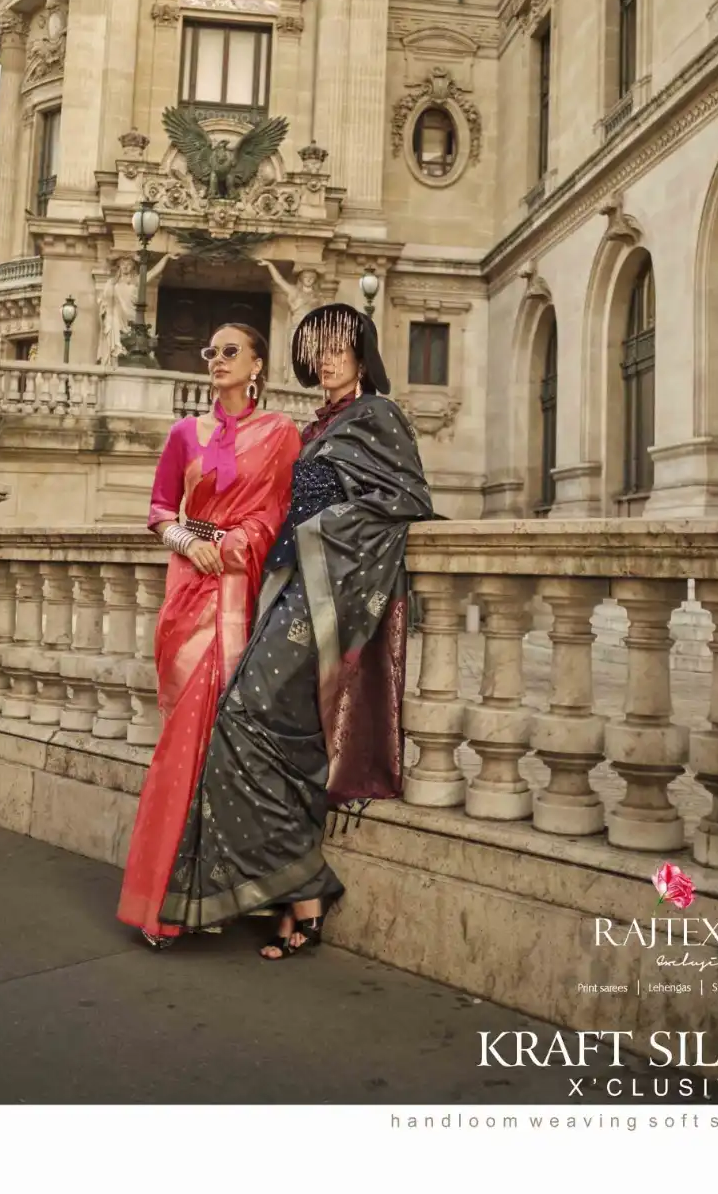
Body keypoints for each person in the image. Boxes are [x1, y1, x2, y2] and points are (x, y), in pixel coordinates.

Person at [158, 303, 433, 958]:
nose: (329, 360)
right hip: (285, 588)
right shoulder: (313, 427)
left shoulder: (379, 416)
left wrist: (320, 533)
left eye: (340, 348)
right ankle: (299, 896)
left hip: (328, 592)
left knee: (249, 717)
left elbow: (405, 500)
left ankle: (303, 889)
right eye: (319, 350)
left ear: (363, 354)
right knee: (272, 731)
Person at [117, 323, 301, 947]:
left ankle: (211, 896)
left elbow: (280, 511)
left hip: (240, 592)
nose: (217, 360)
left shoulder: (279, 434)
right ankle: (161, 901)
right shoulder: (184, 433)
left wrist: (238, 542)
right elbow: (158, 511)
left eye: (230, 352)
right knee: (181, 739)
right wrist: (187, 542)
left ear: (257, 365)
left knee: (226, 743)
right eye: (210, 352)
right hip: (188, 593)